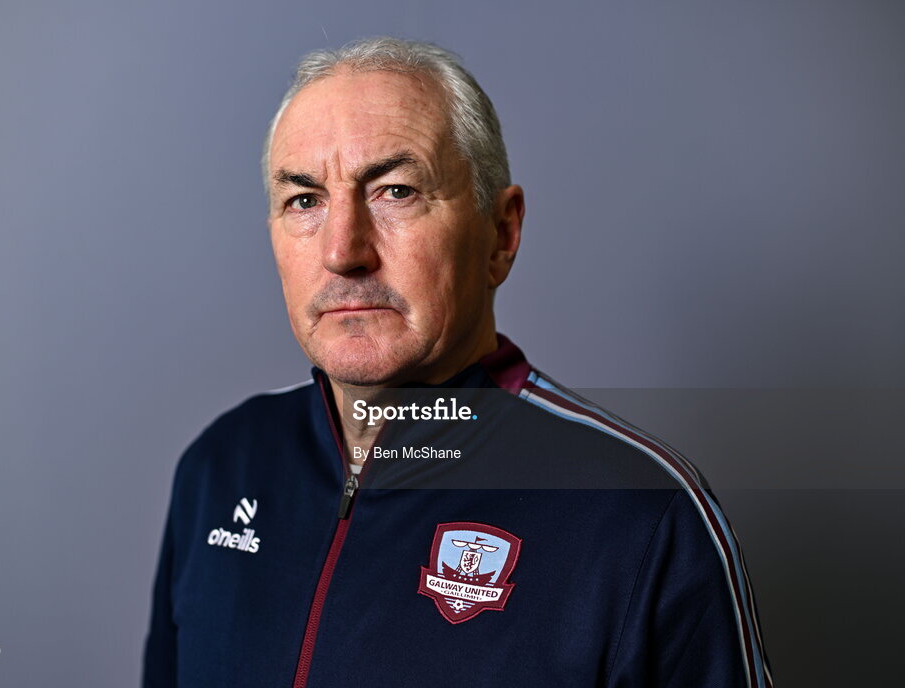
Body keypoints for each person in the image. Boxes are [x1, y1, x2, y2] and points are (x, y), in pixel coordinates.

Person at [142, 37, 772, 687]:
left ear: (501, 234)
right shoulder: (221, 465)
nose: (344, 251)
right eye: (305, 200)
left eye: (395, 190)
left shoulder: (640, 513)